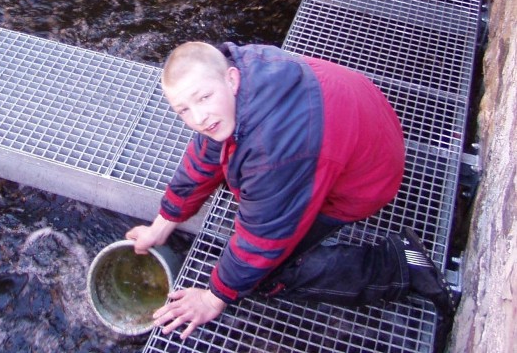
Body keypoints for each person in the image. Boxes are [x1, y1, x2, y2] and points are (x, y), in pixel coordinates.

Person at [126, 41, 456, 341]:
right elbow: (206, 152)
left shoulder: (274, 151)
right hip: (359, 126)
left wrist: (213, 297)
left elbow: (262, 240)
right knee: (232, 158)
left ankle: (399, 264)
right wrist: (162, 225)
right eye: (183, 110)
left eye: (203, 98)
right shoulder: (244, 68)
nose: (197, 117)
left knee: (265, 277)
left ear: (231, 79)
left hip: (366, 180)